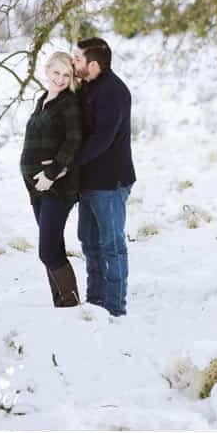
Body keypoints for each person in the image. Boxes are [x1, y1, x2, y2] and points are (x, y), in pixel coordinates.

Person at [72, 36, 136, 318]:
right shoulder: (87, 87)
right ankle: (95, 301)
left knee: (112, 246)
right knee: (88, 241)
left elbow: (102, 139)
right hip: (88, 182)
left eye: (78, 59)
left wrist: (68, 165)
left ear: (93, 65)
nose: (74, 63)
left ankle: (115, 308)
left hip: (110, 182)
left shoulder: (113, 92)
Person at [19, 51, 82, 307]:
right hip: (37, 189)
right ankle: (62, 305)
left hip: (57, 188)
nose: (60, 79)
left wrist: (52, 173)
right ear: (46, 70)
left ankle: (71, 304)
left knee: (47, 250)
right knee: (53, 248)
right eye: (56, 72)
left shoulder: (68, 104)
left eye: (66, 75)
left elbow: (74, 141)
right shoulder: (42, 98)